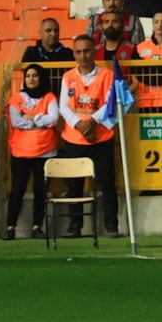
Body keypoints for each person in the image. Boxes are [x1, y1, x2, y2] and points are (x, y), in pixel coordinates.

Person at [58, 35, 121, 238]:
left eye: (86, 51)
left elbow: (110, 104)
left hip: (101, 137)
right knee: (74, 185)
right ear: (74, 54)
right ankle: (74, 226)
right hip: (74, 138)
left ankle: (111, 225)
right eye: (78, 52)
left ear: (94, 52)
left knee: (107, 183)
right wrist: (80, 125)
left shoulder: (107, 76)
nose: (82, 55)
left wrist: (91, 122)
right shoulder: (68, 77)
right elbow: (63, 107)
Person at [3, 64, 59, 240]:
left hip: (46, 150)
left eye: (35, 75)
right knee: (17, 189)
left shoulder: (49, 97)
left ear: (41, 78)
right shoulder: (17, 98)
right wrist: (40, 121)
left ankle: (37, 226)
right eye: (28, 76)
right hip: (21, 151)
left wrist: (31, 118)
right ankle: (10, 227)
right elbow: (16, 121)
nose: (31, 79)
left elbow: (54, 119)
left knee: (41, 190)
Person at [21, 18, 74, 96]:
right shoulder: (31, 53)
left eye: (56, 30)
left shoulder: (68, 54)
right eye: (48, 30)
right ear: (40, 33)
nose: (53, 34)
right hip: (37, 98)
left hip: (62, 97)